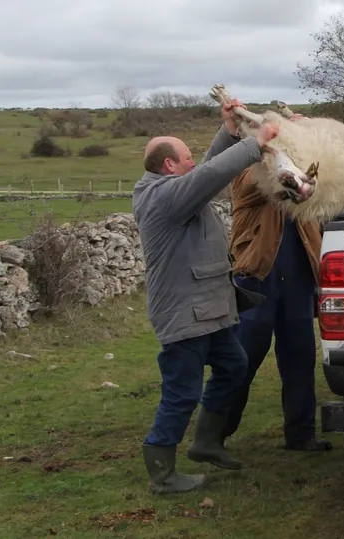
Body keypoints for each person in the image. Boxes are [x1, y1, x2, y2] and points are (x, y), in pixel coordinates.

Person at [132, 99, 281, 494]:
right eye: (185, 157)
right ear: (169, 166)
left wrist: (230, 129)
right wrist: (255, 144)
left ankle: (206, 442)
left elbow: (205, 172)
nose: (192, 161)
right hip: (184, 315)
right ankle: (162, 473)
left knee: (234, 366)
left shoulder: (170, 188)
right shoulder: (163, 199)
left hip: (208, 311)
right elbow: (209, 175)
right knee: (182, 393)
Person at [219, 112, 333, 452]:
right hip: (257, 278)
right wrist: (280, 146)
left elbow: (319, 184)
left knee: (299, 359)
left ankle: (301, 435)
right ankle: (216, 433)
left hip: (297, 279)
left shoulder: (300, 167)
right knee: (243, 359)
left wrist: (307, 137)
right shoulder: (246, 173)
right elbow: (271, 183)